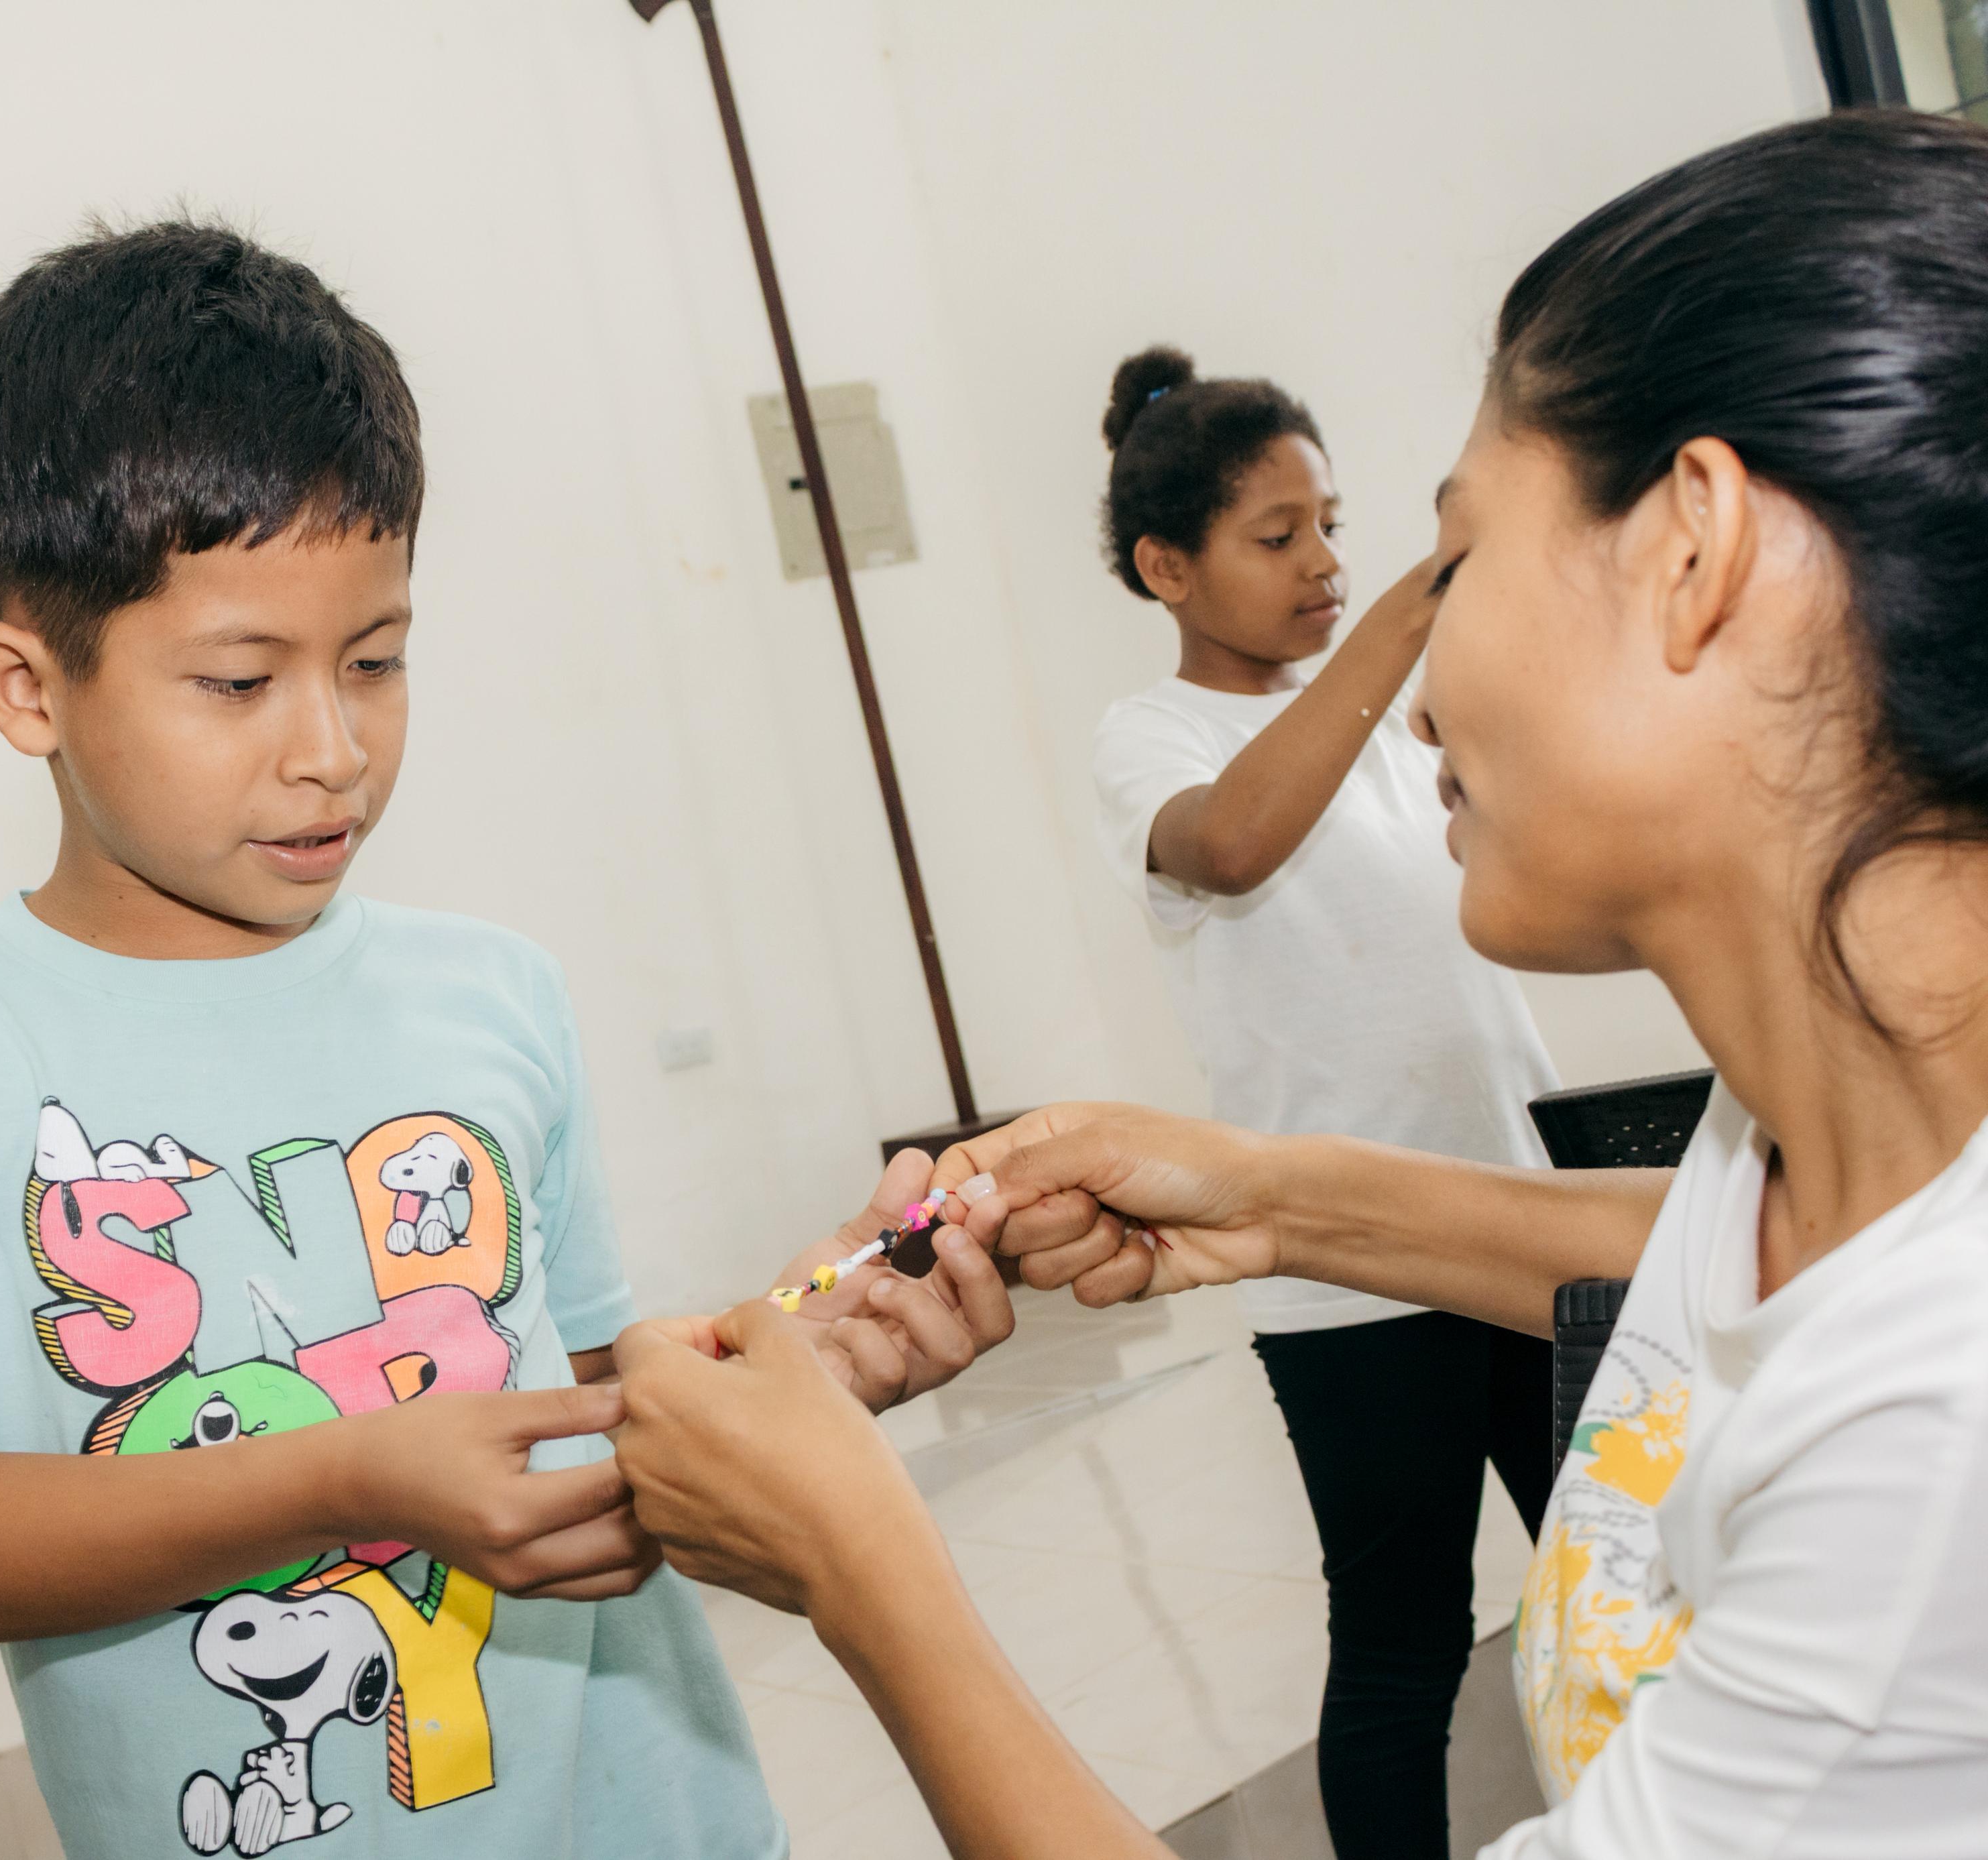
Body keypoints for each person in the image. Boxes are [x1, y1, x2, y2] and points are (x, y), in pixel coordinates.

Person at [613, 111, 1988, 1858]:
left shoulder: (1928, 1450)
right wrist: (1267, 1201)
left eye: (1452, 562)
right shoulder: (1824, 1131)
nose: (1415, 682)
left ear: (1697, 555)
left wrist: (859, 1562)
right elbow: (1719, 1248)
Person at [0, 221, 1011, 1860]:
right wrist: (351, 1479)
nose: (332, 750)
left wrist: (792, 1354)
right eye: (237, 680)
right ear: (27, 686)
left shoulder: (493, 991)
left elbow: (567, 1409)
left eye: (376, 660)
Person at [1092, 345, 1560, 1855]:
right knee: (1406, 1645)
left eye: (1332, 526)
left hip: (1527, 1224)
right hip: (1353, 1278)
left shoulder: (1398, 731)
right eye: (1276, 534)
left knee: (1628, 1579)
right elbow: (1232, 843)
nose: (1323, 563)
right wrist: (1412, 609)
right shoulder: (1156, 739)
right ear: (1168, 568)